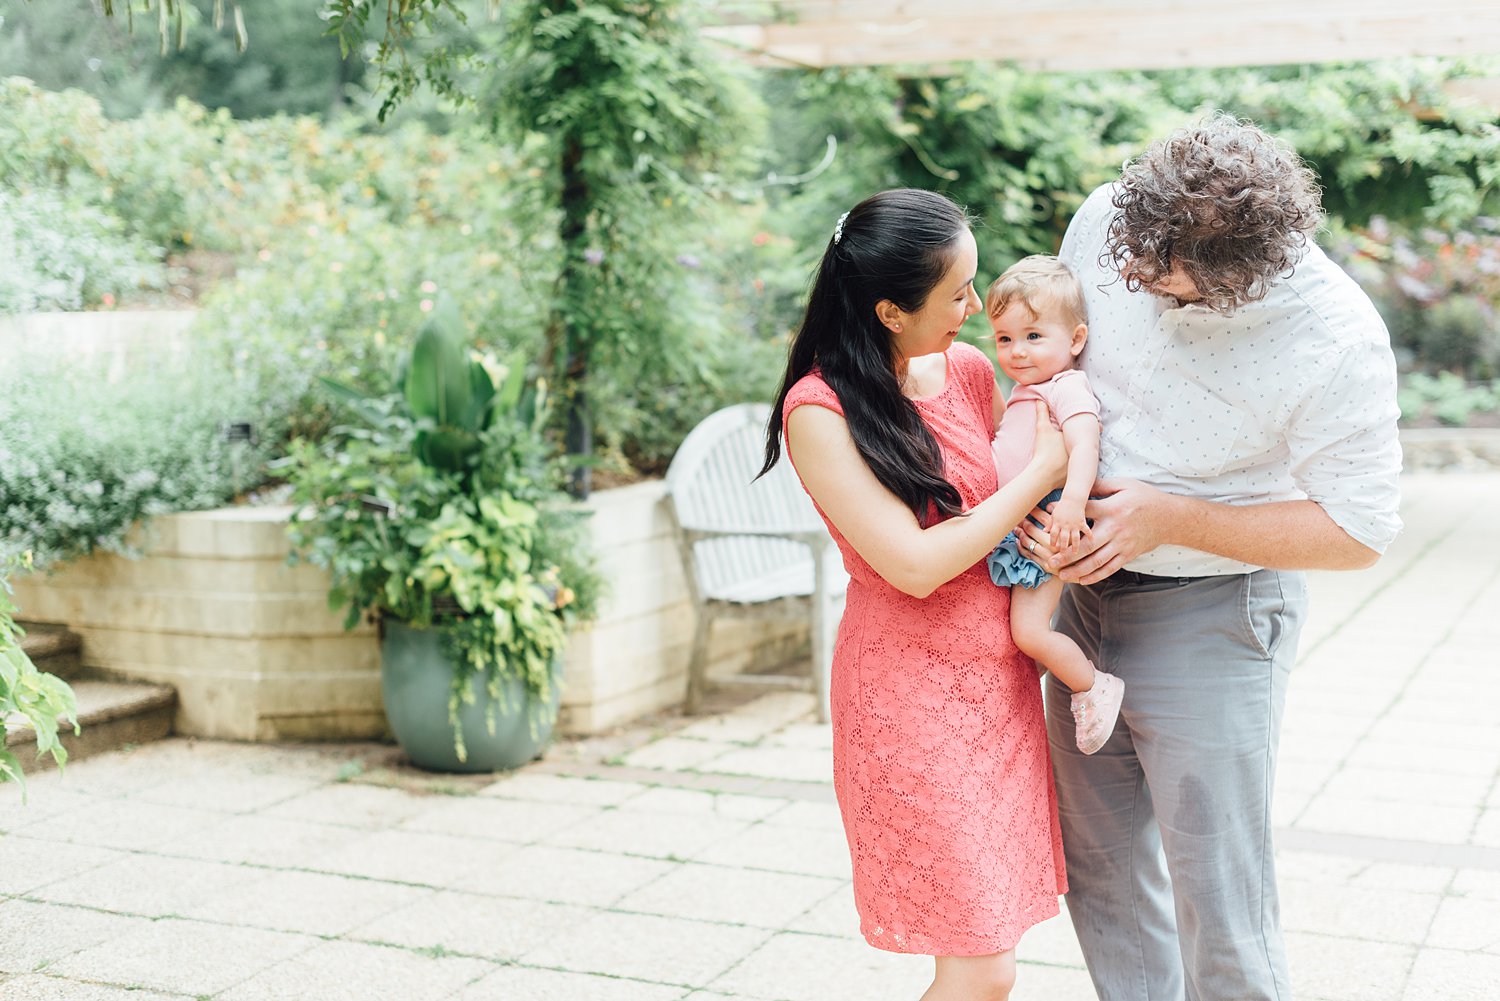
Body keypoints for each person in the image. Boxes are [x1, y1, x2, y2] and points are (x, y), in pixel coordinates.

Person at [1019, 115, 1403, 1001]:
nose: (1144, 291)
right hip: (1074, 609)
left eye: (1175, 289)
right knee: (1102, 870)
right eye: (1133, 270)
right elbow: (1054, 357)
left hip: (1214, 613)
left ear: (1245, 274)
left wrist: (1170, 517)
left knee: (1218, 899)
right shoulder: (1111, 219)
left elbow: (1359, 529)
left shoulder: (1335, 335)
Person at [761, 188, 1070, 1001]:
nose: (977, 308)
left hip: (997, 689)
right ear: (891, 311)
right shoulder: (818, 409)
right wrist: (1042, 472)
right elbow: (914, 563)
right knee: (981, 965)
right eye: (958, 294)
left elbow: (1007, 509)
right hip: (909, 702)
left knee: (989, 948)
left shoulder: (967, 371)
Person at [982, 255, 1123, 755]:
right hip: (1018, 525)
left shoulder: (1067, 387)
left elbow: (1085, 446)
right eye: (1004, 338)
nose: (1017, 351)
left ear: (1076, 340)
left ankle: (1092, 687)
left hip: (1049, 525)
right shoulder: (1025, 389)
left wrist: (1073, 506)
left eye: (1033, 336)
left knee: (1029, 633)